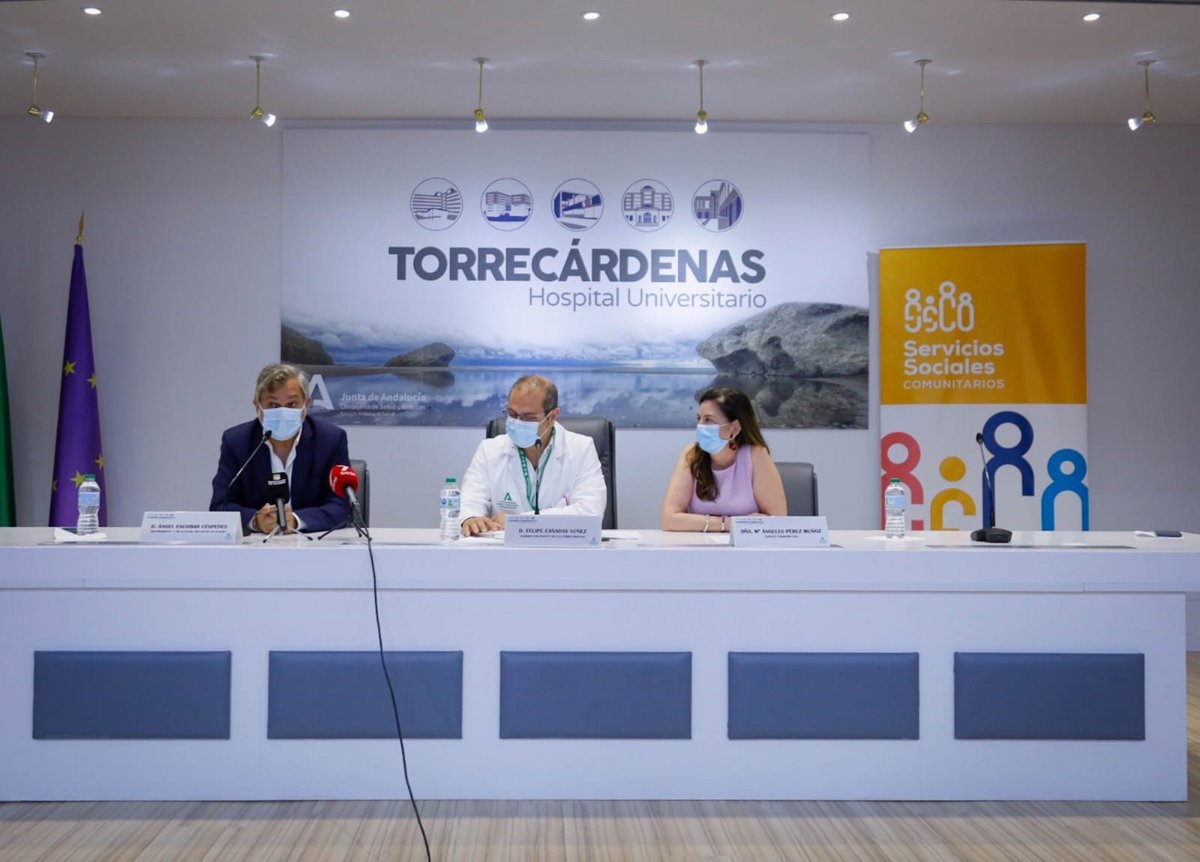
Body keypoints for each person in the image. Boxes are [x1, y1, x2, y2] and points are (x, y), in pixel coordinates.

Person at [210, 363, 350, 534]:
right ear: (257, 406)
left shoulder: (330, 440)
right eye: (273, 405)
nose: (283, 412)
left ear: (306, 404)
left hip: (312, 543)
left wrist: (296, 520)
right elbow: (220, 506)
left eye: (292, 404)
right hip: (255, 544)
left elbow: (341, 506)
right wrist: (256, 521)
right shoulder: (237, 441)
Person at [459, 375, 607, 536]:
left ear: (552, 417)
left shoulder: (581, 449)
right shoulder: (489, 450)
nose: (518, 422)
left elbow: (590, 513)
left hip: (563, 547)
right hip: (503, 548)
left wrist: (517, 522)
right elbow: (470, 502)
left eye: (529, 418)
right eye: (512, 414)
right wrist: (470, 518)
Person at [661, 386, 787, 532]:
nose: (700, 426)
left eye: (709, 420)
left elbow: (778, 522)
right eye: (699, 418)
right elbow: (669, 519)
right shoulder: (691, 455)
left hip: (746, 546)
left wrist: (701, 523)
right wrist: (729, 524)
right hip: (700, 544)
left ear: (734, 428)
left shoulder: (756, 455)